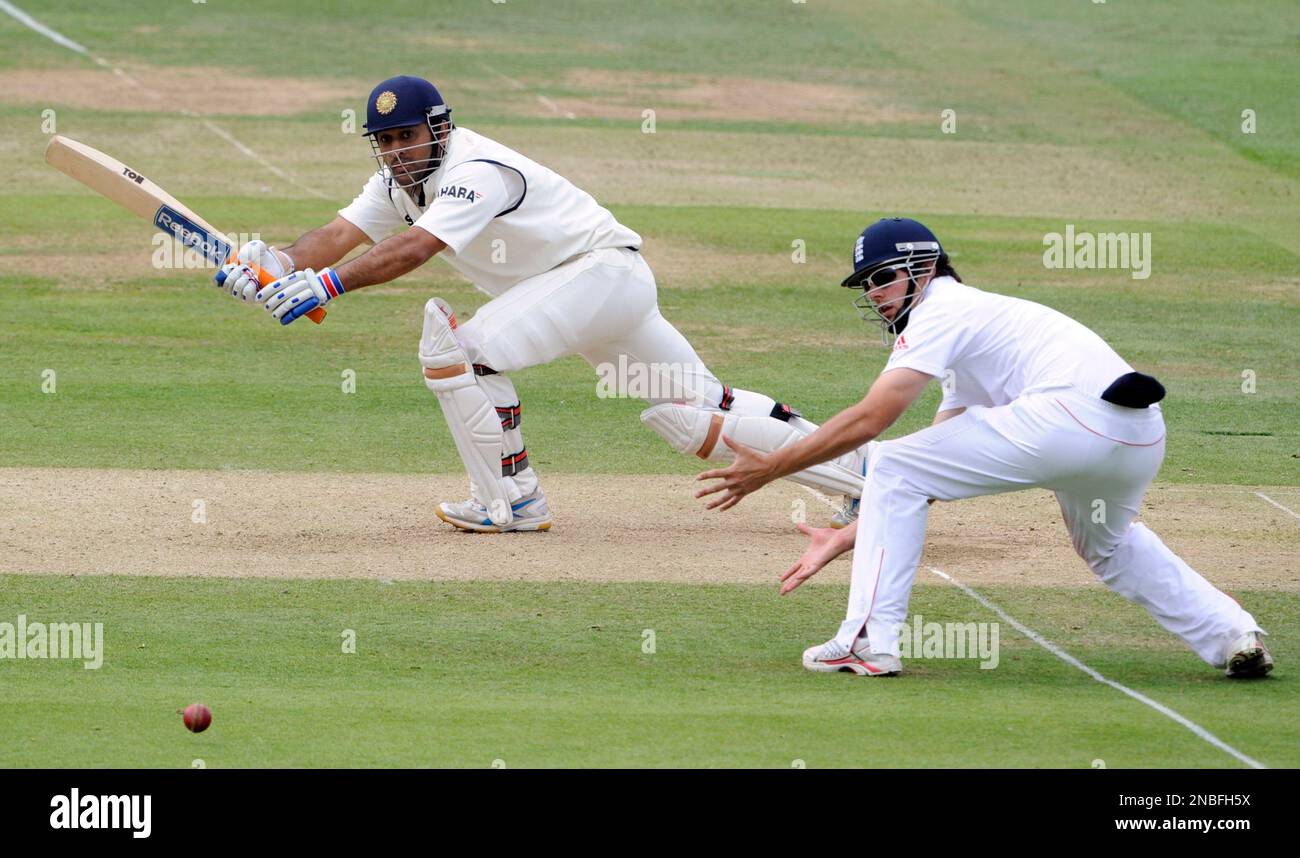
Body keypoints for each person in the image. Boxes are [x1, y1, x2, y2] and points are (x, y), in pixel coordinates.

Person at [214, 75, 868, 532]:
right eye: (382, 141)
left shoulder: (477, 170)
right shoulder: (395, 183)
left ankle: (512, 500)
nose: (394, 152)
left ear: (438, 130)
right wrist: (277, 263)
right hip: (595, 289)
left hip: (598, 278)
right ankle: (857, 471)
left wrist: (324, 287)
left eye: (405, 137)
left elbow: (414, 249)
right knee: (695, 411)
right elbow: (334, 237)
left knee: (458, 353)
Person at [696, 217, 1274, 679]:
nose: (874, 296)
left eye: (881, 279)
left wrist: (770, 468)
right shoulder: (977, 325)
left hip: (1073, 418)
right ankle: (1232, 636)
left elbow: (874, 419)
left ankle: (866, 643)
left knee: (893, 461)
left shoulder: (941, 310)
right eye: (866, 285)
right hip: (1137, 434)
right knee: (1109, 545)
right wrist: (851, 533)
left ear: (922, 267)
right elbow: (940, 459)